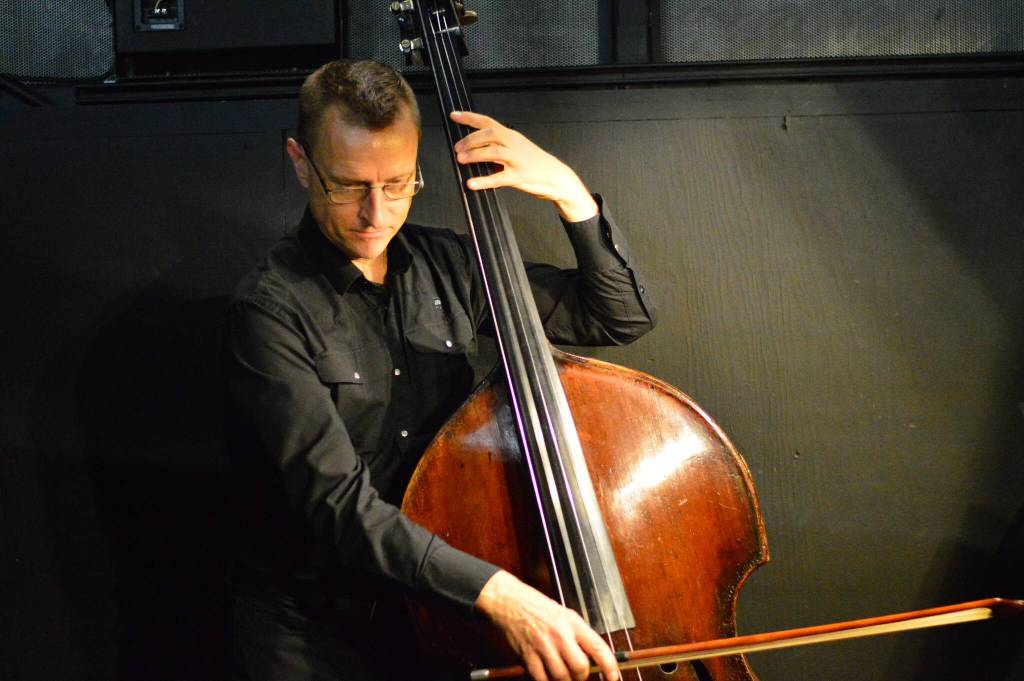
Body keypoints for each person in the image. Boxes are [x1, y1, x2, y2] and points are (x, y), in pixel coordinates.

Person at [224, 59, 655, 681]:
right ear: (300, 163)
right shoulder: (268, 311)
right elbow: (338, 507)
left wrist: (570, 194)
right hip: (315, 629)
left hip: (436, 616)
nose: (376, 214)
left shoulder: (449, 265)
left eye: (398, 184)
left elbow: (618, 317)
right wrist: (500, 594)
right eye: (348, 186)